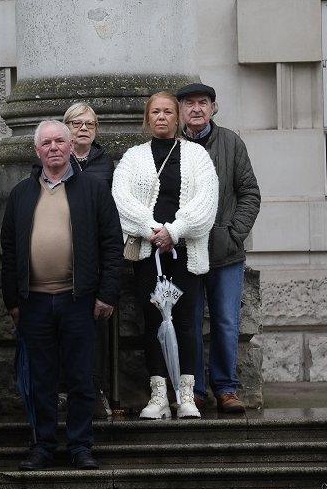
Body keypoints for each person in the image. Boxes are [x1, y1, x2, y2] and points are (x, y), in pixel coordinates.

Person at [0, 120, 123, 471]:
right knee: (40, 378)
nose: (53, 147)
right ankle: (42, 446)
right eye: (46, 143)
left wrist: (107, 294)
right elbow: (9, 249)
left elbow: (111, 244)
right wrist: (12, 301)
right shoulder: (22, 194)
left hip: (78, 299)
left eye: (59, 141)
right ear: (37, 152)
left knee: (81, 376)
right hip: (34, 302)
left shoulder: (93, 190)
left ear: (70, 147)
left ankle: (81, 446)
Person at [112, 91, 218, 421]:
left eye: (168, 112)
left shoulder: (198, 156)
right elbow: (121, 199)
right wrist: (151, 229)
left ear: (177, 117)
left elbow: (206, 202)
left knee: (187, 323)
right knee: (152, 321)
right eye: (155, 112)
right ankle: (158, 395)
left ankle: (185, 395)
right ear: (147, 118)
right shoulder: (132, 157)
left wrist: (174, 232)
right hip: (148, 254)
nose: (161, 117)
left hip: (184, 253)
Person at [176, 83, 262, 414]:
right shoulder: (174, 146)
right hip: (185, 253)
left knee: (226, 322)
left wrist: (234, 233)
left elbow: (249, 192)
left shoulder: (231, 142)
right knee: (191, 321)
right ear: (181, 109)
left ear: (214, 107)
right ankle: (194, 389)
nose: (196, 109)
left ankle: (226, 388)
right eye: (189, 103)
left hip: (226, 253)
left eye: (203, 102)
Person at [62, 102, 115, 418]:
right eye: (76, 123)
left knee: (95, 334)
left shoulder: (105, 163)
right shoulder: (51, 161)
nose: (83, 128)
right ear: (65, 126)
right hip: (59, 260)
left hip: (93, 262)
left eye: (90, 124)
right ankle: (62, 392)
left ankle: (96, 392)